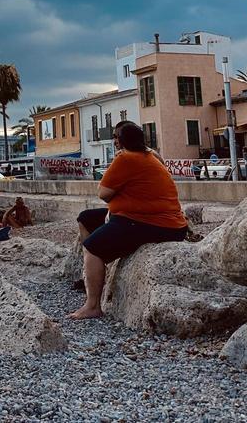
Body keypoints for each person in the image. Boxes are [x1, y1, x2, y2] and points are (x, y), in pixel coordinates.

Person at [68, 121, 188, 321]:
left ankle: (92, 306)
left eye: (116, 137)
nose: (114, 140)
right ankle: (91, 274)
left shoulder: (125, 159)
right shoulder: (150, 155)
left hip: (150, 223)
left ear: (122, 141)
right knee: (86, 219)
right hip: (164, 222)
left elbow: (103, 193)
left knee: (92, 246)